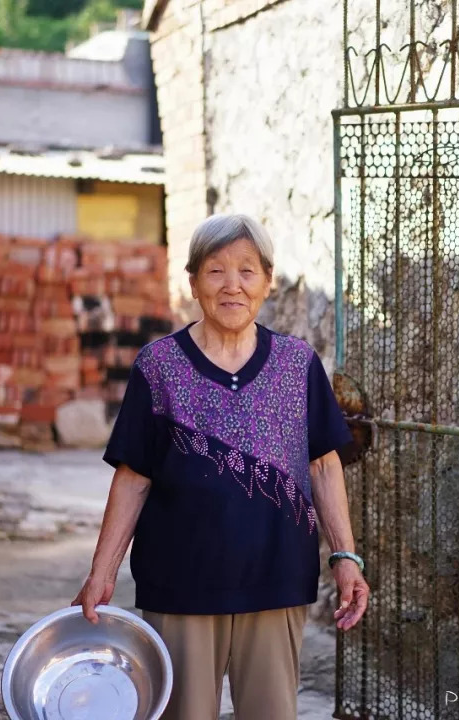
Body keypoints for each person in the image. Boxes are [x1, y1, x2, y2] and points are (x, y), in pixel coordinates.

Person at [73, 213, 369, 720]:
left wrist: (346, 555)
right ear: (193, 282)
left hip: (276, 580)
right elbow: (133, 477)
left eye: (247, 271)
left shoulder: (298, 366)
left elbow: (323, 466)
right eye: (215, 271)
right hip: (180, 583)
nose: (232, 285)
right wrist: (102, 570)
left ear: (267, 283)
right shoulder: (159, 365)